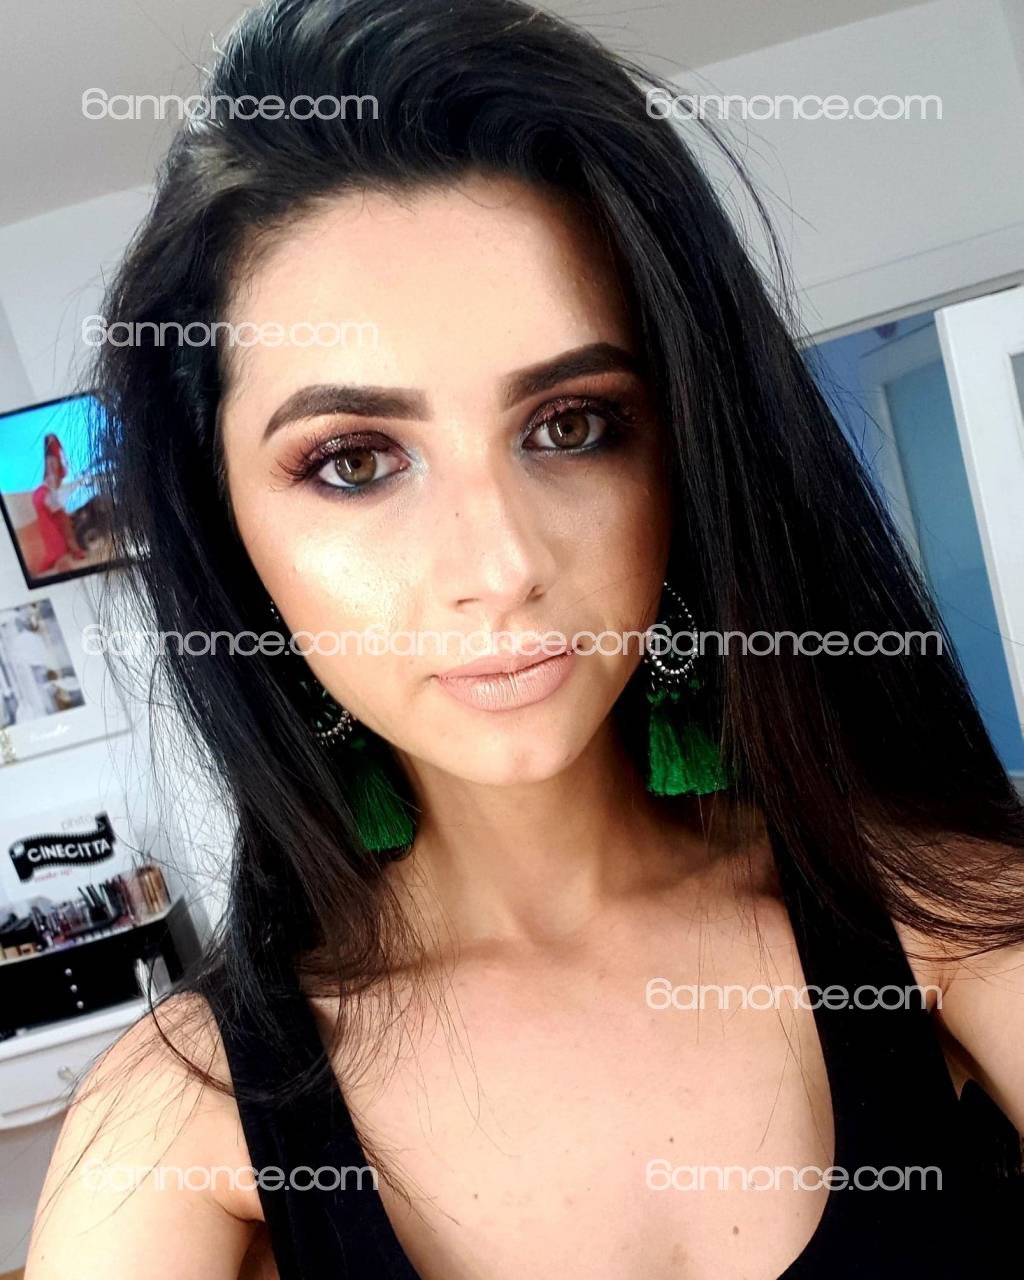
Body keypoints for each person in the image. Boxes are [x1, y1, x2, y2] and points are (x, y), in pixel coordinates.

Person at [25, 1, 1024, 1277]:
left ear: (686, 453)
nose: (500, 567)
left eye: (571, 425)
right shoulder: (175, 1125)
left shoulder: (947, 922)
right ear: (227, 531)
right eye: (354, 460)